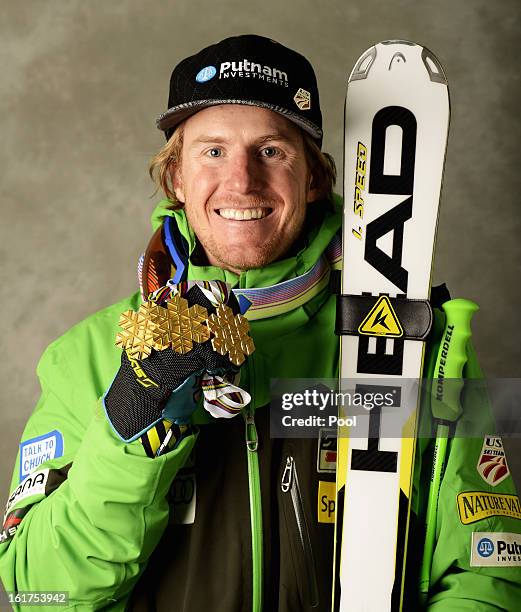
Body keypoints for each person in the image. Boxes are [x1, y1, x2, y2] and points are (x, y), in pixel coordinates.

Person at [0, 34, 520, 612]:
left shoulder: (422, 346)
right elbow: (39, 594)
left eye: (271, 150)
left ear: (316, 178)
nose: (242, 181)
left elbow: (486, 575)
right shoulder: (86, 357)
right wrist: (129, 434)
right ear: (175, 178)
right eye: (212, 151)